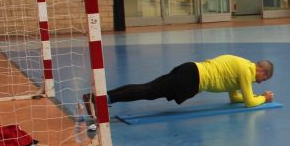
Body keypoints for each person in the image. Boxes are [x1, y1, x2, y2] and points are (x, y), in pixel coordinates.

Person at [106, 55, 275, 107]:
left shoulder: (243, 65)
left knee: (148, 87)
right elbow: (249, 103)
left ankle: (105, 97)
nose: (261, 82)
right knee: (149, 92)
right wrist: (263, 98)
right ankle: (107, 99)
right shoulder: (247, 71)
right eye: (264, 78)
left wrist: (254, 96)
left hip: (190, 69)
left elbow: (235, 98)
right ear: (261, 70)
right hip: (192, 79)